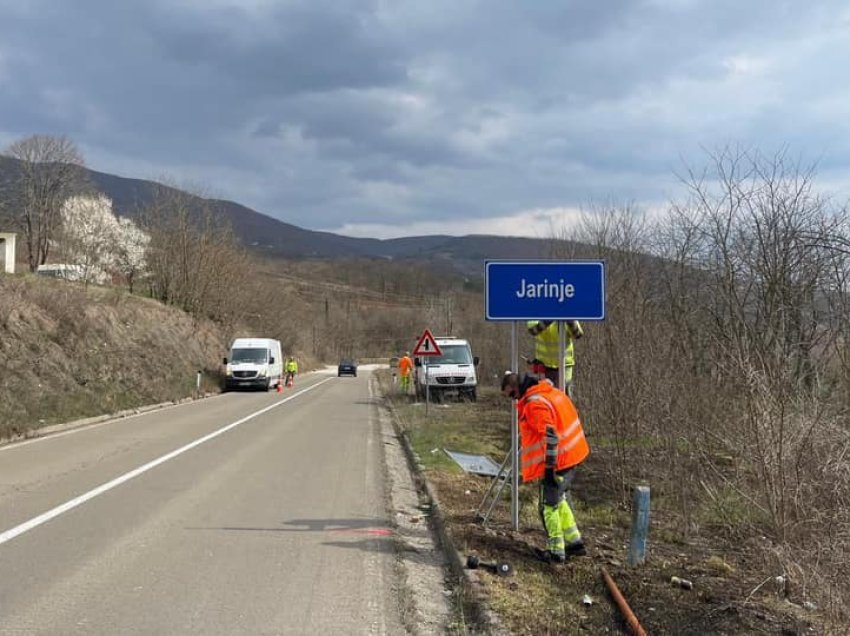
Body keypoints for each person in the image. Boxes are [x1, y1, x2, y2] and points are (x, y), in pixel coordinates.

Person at [501, 371, 589, 563]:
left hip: (559, 461)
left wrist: (549, 469)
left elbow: (550, 436)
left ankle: (556, 551)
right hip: (572, 455)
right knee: (559, 499)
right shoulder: (549, 392)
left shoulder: (534, 405)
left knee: (547, 506)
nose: (512, 400)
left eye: (511, 395)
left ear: (517, 389)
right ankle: (575, 543)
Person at [526, 320, 584, 397]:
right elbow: (533, 330)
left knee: (564, 399)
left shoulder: (565, 310)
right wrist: (550, 318)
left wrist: (570, 321)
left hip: (564, 366)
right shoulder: (537, 310)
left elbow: (578, 334)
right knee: (545, 399)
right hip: (544, 367)